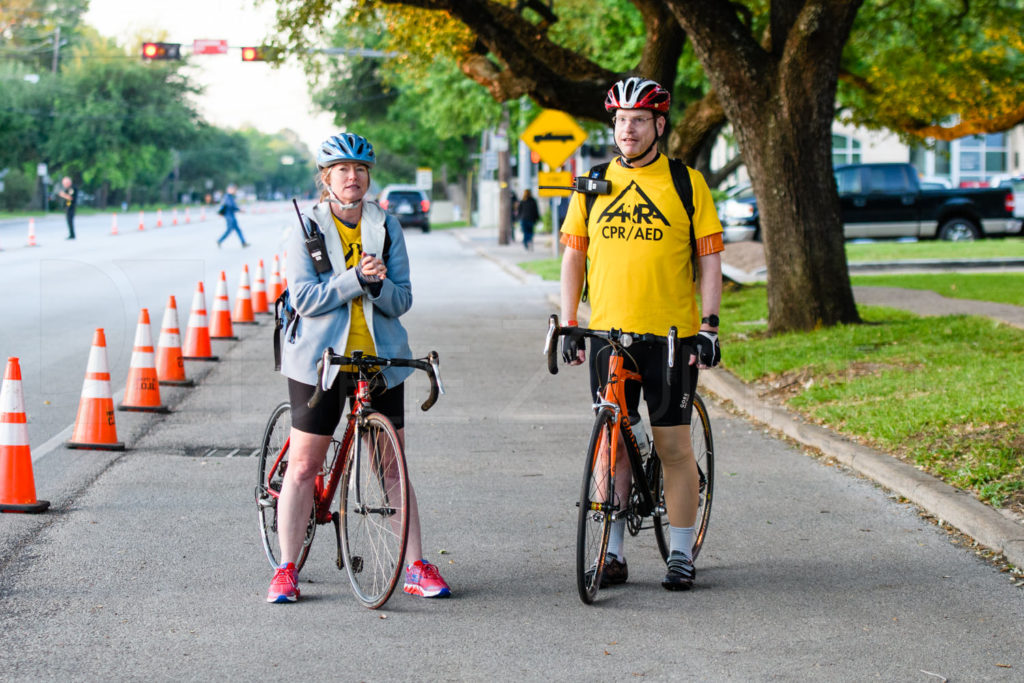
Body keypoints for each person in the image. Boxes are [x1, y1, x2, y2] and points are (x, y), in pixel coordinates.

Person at [269, 133, 451, 603]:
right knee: (306, 464)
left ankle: (415, 566)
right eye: (342, 170)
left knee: (393, 466)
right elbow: (304, 298)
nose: (353, 177)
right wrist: (354, 279)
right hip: (320, 362)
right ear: (326, 178)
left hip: (379, 362)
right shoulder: (306, 227)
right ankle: (285, 569)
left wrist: (378, 286)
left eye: (361, 169)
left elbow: (403, 299)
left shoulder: (386, 226)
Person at [558, 77, 723, 592]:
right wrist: (568, 319)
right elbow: (574, 253)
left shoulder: (684, 181)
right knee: (613, 445)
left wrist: (709, 326)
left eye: (638, 120)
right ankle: (611, 553)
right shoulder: (592, 180)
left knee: (673, 446)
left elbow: (710, 258)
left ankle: (679, 553)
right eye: (620, 120)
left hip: (670, 338)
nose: (626, 129)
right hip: (609, 335)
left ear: (659, 126)